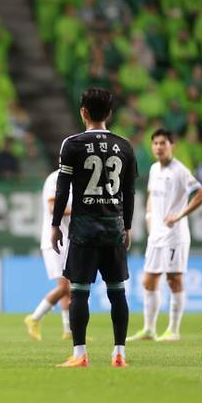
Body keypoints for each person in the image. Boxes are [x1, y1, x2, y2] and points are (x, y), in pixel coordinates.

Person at [51, 88, 137, 368]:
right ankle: (119, 353)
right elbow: (130, 192)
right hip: (113, 227)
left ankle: (80, 355)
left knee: (79, 292)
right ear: (109, 113)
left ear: (83, 112)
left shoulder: (72, 144)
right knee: (117, 292)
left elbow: (62, 188)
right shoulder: (124, 146)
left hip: (84, 229)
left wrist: (55, 225)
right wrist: (128, 227)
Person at [128, 128, 202, 342]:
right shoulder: (154, 169)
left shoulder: (180, 171)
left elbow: (201, 195)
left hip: (175, 236)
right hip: (156, 234)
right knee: (148, 281)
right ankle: (149, 329)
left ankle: (173, 330)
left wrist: (180, 215)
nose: (158, 147)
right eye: (155, 143)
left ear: (173, 145)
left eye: (163, 143)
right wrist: (149, 215)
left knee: (173, 280)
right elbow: (152, 195)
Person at [24, 169, 72, 341]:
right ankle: (34, 318)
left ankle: (69, 330)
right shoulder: (55, 178)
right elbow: (53, 207)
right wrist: (79, 211)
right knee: (65, 287)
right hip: (54, 241)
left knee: (69, 287)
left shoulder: (77, 178)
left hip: (69, 240)